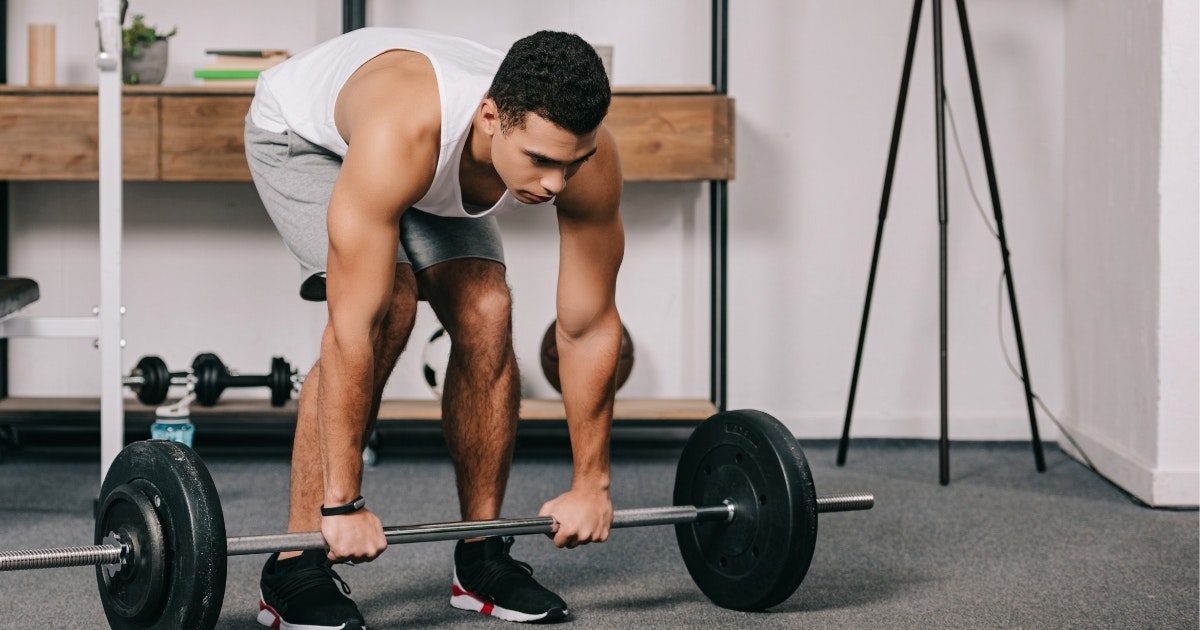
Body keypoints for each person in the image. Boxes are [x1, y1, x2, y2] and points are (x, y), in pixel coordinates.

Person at [243, 26, 624, 629]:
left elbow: (590, 326)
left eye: (571, 163)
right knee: (389, 305)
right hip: (305, 137)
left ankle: (482, 556)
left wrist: (591, 482)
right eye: (542, 162)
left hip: (433, 159)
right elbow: (352, 328)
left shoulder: (584, 161)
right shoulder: (405, 128)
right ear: (493, 117)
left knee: (487, 309)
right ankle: (293, 567)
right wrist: (342, 503)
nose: (556, 184)